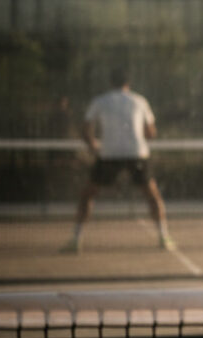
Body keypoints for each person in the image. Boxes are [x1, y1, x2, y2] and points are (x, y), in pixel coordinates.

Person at [65, 68, 171, 253]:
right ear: (128, 84)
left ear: (110, 82)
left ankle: (76, 239)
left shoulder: (100, 101)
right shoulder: (140, 100)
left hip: (109, 155)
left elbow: (85, 129)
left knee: (87, 195)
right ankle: (164, 236)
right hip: (137, 154)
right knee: (152, 195)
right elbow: (151, 133)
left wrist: (93, 146)